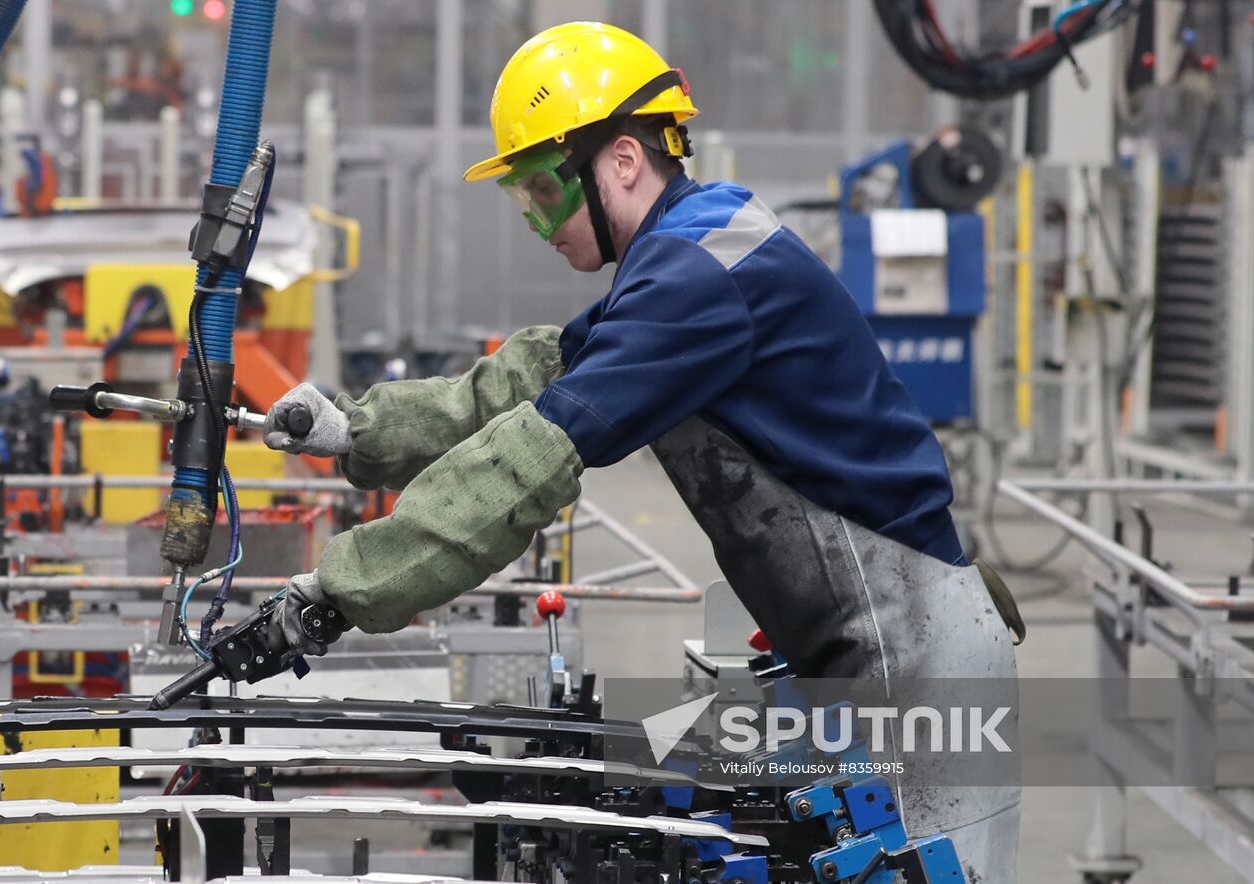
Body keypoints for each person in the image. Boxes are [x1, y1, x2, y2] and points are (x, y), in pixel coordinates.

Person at [263, 21, 1021, 880]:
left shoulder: (700, 276)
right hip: (853, 643)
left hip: (911, 655)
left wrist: (334, 594)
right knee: (662, 774)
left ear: (621, 161)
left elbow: (532, 455)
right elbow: (531, 381)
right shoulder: (695, 244)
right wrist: (352, 431)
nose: (538, 223)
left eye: (544, 192)